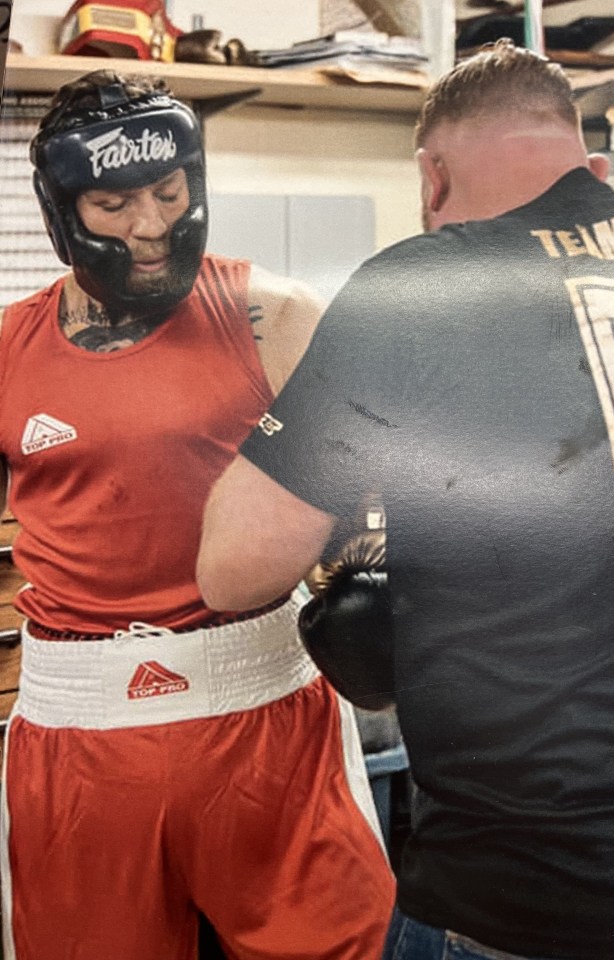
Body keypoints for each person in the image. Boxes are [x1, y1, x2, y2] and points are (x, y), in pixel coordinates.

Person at [197, 39, 614, 960]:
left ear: (431, 176)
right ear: (588, 163)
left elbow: (235, 568)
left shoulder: (419, 286)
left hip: (526, 889)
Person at [0, 68, 395, 960]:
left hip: (266, 720)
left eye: (168, 192)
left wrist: (373, 572)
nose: (150, 227)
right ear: (61, 210)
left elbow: (362, 507)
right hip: (78, 740)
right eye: (112, 203)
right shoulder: (7, 350)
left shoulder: (278, 317)